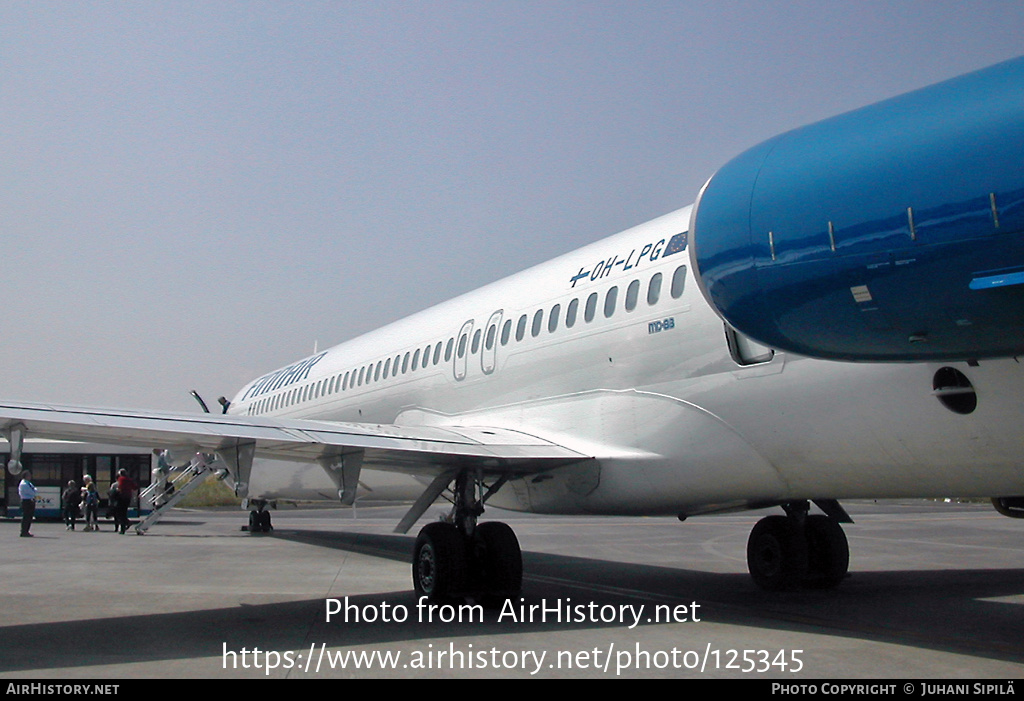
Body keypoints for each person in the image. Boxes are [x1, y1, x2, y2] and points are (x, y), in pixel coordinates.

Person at [114, 469, 137, 535]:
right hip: (128, 497)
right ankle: (125, 525)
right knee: (124, 512)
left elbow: (120, 487)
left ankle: (125, 524)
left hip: (121, 497)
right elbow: (135, 487)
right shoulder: (129, 479)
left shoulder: (121, 479)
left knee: (120, 513)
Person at [18, 471, 37, 537]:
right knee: (26, 517)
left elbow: (34, 490)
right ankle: (24, 531)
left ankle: (26, 531)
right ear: (25, 476)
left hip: (30, 501)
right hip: (26, 501)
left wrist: (34, 490)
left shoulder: (28, 483)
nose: (30, 476)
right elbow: (32, 492)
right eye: (29, 475)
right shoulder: (24, 484)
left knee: (29, 517)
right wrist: (34, 490)